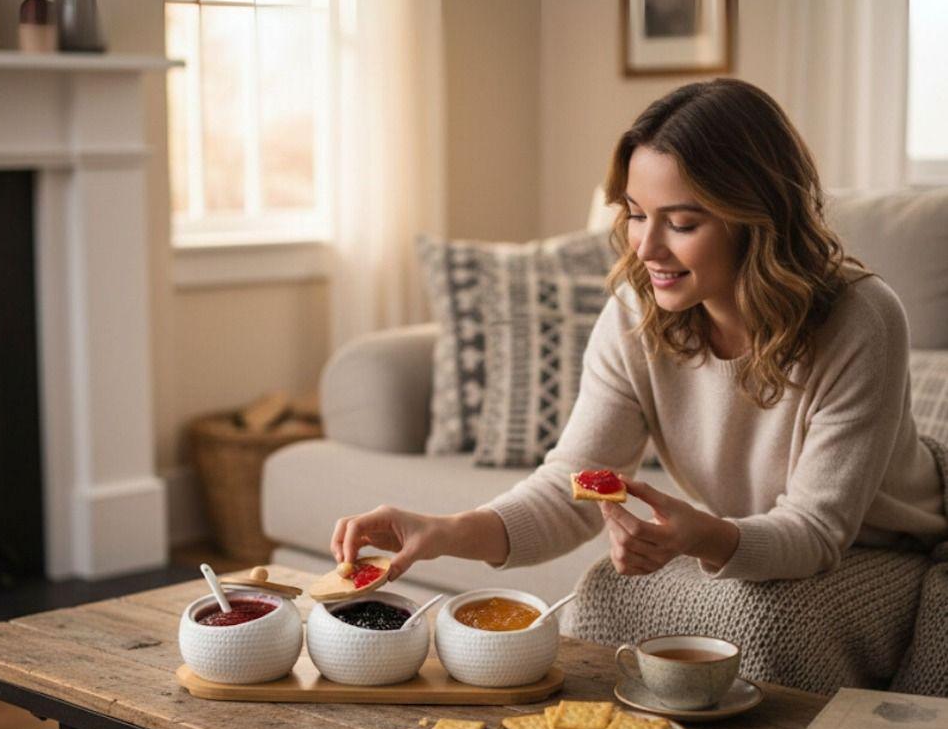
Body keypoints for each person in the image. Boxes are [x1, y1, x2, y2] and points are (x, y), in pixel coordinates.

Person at [330, 79, 948, 588]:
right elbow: (576, 484)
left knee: (760, 619)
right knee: (605, 594)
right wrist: (445, 532)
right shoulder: (637, 310)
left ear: (755, 220)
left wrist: (705, 535)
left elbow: (816, 531)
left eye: (680, 222)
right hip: (770, 536)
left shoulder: (862, 319)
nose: (647, 249)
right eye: (635, 214)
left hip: (890, 545)